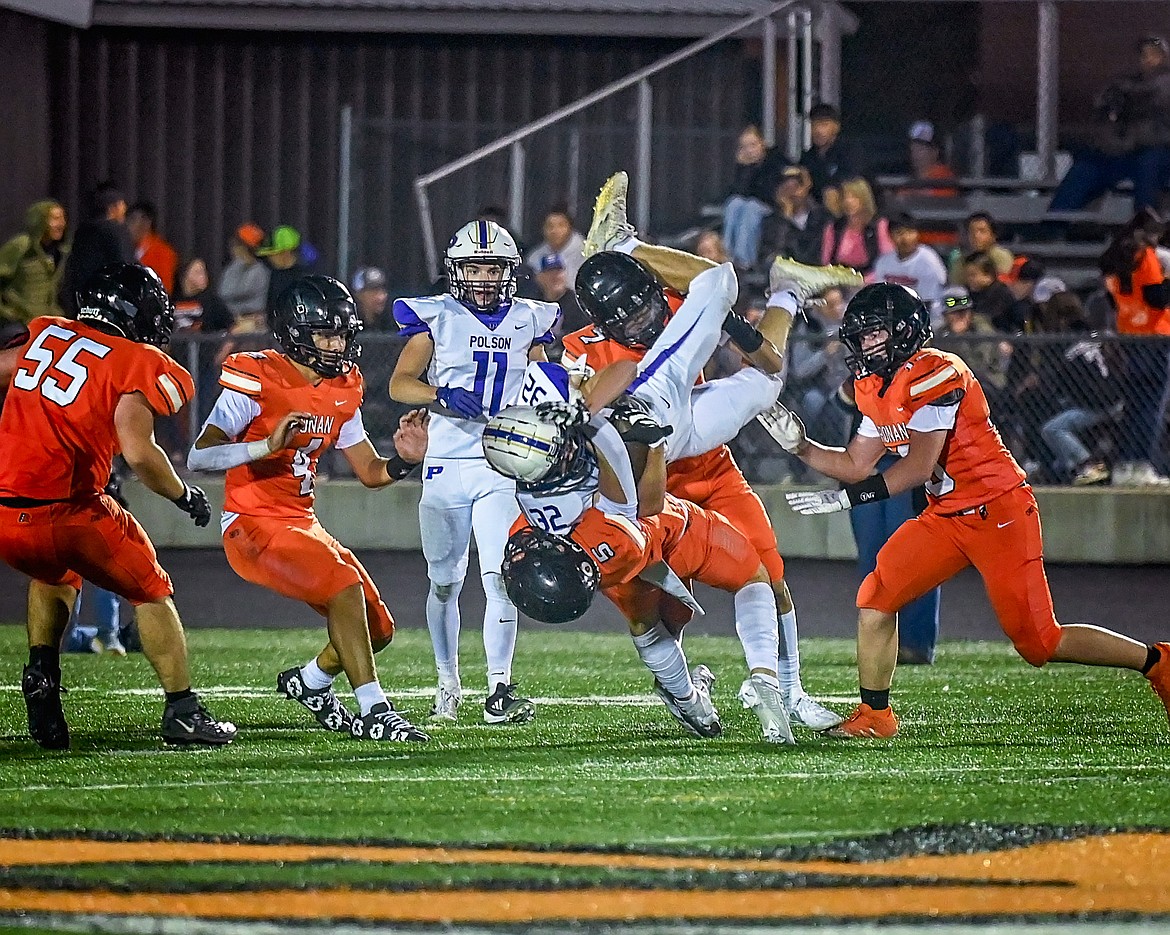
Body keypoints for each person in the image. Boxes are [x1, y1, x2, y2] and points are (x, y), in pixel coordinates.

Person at [762, 282, 1170, 738]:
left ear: (904, 331)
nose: (863, 344)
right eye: (859, 335)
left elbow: (916, 466)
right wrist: (801, 447)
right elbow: (857, 463)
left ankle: (1158, 662)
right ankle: (876, 715)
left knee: (1040, 643)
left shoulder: (939, 371)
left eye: (874, 333)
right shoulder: (871, 385)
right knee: (876, 597)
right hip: (947, 513)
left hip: (998, 510)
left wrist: (845, 498)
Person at [565, 170, 851, 731]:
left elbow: (768, 364)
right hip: (647, 477)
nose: (649, 320)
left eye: (652, 306)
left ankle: (787, 692)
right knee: (653, 611)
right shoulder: (582, 351)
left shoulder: (673, 307)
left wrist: (750, 331)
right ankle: (684, 691)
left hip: (697, 448)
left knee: (768, 573)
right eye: (634, 316)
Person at [483, 392, 810, 744]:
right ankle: (764, 678)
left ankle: (690, 703)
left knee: (648, 623)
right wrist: (640, 438)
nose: (568, 453)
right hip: (653, 532)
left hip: (603, 564)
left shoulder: (530, 519)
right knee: (752, 576)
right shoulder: (597, 514)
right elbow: (647, 502)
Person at [0, 263, 235, 749]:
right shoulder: (135, 360)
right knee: (150, 588)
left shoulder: (45, 332)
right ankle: (183, 711)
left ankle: (42, 674)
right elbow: (139, 451)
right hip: (68, 511)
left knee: (54, 575)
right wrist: (182, 494)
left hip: (6, 514)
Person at [188, 275, 429, 742]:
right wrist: (262, 446)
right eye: (326, 334)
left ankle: (311, 682)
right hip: (251, 522)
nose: (337, 344)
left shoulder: (344, 386)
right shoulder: (257, 376)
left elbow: (370, 472)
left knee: (378, 629)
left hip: (301, 522)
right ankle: (376, 711)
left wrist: (404, 460)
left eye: (342, 334)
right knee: (343, 587)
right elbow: (201, 454)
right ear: (295, 334)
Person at [389, 219, 560, 725]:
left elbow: (545, 378)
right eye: (475, 267)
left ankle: (499, 688)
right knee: (444, 581)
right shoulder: (437, 316)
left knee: (499, 577)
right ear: (457, 271)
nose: (484, 277)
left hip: (501, 463)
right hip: (445, 460)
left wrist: (558, 401)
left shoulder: (531, 318)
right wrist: (441, 394)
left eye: (493, 267)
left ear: (509, 271)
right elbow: (400, 383)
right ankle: (447, 679)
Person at [1049, 36, 1170, 214]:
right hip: (1124, 151)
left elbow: (1157, 95)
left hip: (1157, 151)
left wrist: (1127, 97)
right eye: (1145, 54)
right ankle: (1052, 226)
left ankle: (1144, 230)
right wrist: (1117, 101)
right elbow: (1102, 102)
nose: (1149, 59)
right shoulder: (1126, 81)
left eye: (1156, 54)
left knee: (1149, 168)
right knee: (1087, 166)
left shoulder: (1163, 82)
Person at [1101, 208, 1170, 485]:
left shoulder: (1117, 260)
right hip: (1154, 337)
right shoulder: (1146, 257)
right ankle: (1141, 466)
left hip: (1130, 336)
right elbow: (1156, 298)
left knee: (1133, 407)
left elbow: (1113, 299)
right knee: (1150, 408)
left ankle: (1124, 466)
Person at [59, 183, 134, 317]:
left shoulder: (81, 231)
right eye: (122, 205)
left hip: (81, 303)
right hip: (110, 304)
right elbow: (126, 267)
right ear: (113, 207)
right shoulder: (116, 230)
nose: (125, 209)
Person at [721, 125, 786, 269]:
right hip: (749, 204)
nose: (749, 150)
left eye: (753, 145)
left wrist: (751, 170)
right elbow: (738, 192)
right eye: (744, 147)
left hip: (770, 205)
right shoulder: (744, 166)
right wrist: (744, 168)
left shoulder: (775, 160)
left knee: (751, 207)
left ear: (762, 143)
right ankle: (725, 255)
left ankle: (744, 261)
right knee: (734, 204)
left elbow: (766, 192)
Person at [0, 200, 69, 325]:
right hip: (18, 324)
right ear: (39, 220)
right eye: (55, 218)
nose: (61, 224)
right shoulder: (22, 246)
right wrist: (8, 313)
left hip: (45, 324)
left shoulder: (60, 252)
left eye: (63, 218)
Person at [869, 213, 948, 315]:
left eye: (910, 232)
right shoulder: (883, 262)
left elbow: (928, 300)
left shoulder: (928, 260)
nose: (905, 238)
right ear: (890, 236)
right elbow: (879, 294)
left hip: (927, 315)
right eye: (899, 233)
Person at [760, 165, 832, 268]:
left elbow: (811, 254)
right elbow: (770, 255)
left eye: (796, 187)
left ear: (806, 187)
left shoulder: (822, 217)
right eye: (787, 189)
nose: (792, 194)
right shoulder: (771, 221)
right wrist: (785, 219)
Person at [800, 103, 863, 215]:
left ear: (836, 127)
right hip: (815, 206)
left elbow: (852, 178)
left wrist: (829, 187)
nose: (818, 130)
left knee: (831, 193)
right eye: (814, 125)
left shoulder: (849, 150)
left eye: (824, 125)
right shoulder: (808, 156)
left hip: (847, 203)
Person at [821, 178, 892, 274]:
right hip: (840, 279)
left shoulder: (879, 225)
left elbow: (887, 259)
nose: (848, 201)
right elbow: (826, 262)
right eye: (845, 197)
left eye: (853, 197)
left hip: (871, 279)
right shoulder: (834, 227)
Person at [218, 223, 270, 331]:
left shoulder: (260, 270)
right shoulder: (232, 268)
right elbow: (224, 292)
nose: (234, 248)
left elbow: (243, 290)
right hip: (231, 319)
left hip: (253, 321)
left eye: (238, 245)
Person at [948, 212, 1014, 285]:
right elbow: (955, 286)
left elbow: (1003, 284)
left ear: (993, 235)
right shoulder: (960, 261)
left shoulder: (1001, 257)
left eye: (982, 231)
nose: (976, 236)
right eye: (972, 231)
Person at [526, 205, 586, 285]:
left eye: (561, 225)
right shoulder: (535, 257)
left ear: (570, 228)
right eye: (550, 226)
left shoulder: (584, 253)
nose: (555, 231)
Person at [127, 201, 178, 295]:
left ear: (146, 223)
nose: (127, 226)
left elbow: (165, 289)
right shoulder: (128, 248)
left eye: (132, 220)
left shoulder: (163, 252)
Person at [259, 225, 308, 311]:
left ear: (285, 252)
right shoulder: (275, 274)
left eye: (273, 254)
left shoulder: (305, 276)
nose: (269, 258)